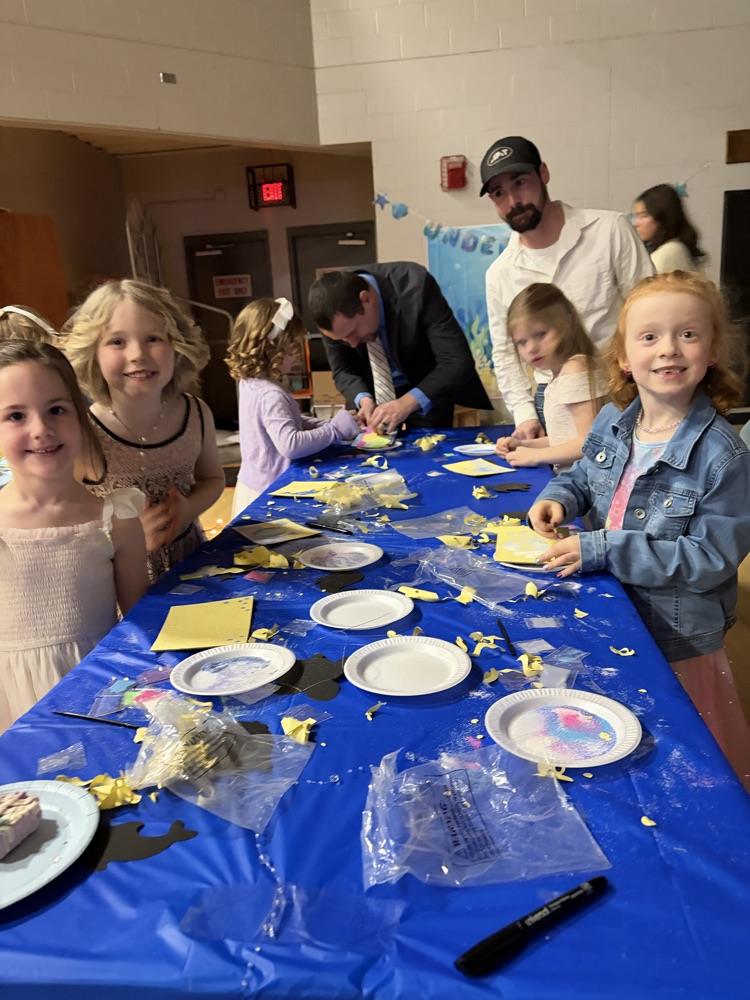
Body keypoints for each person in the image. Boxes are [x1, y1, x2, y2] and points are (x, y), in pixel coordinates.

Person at [528, 270, 750, 789]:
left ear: (713, 350)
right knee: (620, 740)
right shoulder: (614, 420)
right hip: (618, 608)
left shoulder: (725, 456)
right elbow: (585, 475)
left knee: (689, 760)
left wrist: (604, 548)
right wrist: (558, 497)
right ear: (624, 357)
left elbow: (709, 559)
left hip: (677, 636)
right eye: (649, 336)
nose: (668, 348)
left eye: (687, 334)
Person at [0, 341, 149, 733]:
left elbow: (139, 621)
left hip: (97, 693)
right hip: (12, 702)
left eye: (56, 410)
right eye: (15, 416)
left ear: (80, 417)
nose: (41, 430)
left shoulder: (116, 518)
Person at [480, 135, 653, 440]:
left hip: (621, 388)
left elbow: (650, 314)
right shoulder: (499, 274)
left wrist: (649, 387)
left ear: (543, 173)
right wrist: (524, 415)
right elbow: (505, 352)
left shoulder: (609, 231)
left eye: (520, 183)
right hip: (553, 398)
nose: (513, 201)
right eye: (499, 193)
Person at [64, 279, 225, 582]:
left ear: (177, 345)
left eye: (153, 338)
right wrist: (125, 536)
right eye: (117, 341)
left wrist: (189, 509)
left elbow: (213, 479)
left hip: (193, 571)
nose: (137, 353)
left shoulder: (197, 414)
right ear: (92, 353)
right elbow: (66, 521)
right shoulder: (83, 433)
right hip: (118, 585)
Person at [308, 263, 492, 432]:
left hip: (424, 387)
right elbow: (344, 371)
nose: (353, 344)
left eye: (353, 332)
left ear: (366, 299)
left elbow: (456, 360)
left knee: (427, 449)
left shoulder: (416, 286)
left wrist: (407, 403)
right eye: (342, 340)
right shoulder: (331, 314)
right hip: (371, 393)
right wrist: (363, 399)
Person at [225, 297, 359, 516]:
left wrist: (325, 424)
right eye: (293, 346)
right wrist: (334, 430)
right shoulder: (271, 394)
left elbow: (283, 421)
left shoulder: (251, 382)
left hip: (253, 486)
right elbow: (291, 444)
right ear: (272, 347)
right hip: (271, 495)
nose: (297, 353)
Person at [495, 283, 607, 472]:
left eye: (541, 334)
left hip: (587, 483)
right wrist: (523, 446)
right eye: (522, 342)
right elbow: (563, 440)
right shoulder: (561, 374)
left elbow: (590, 442)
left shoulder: (575, 370)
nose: (531, 348)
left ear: (566, 324)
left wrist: (534, 456)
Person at [632, 183, 706, 273]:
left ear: (662, 217)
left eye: (643, 216)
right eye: (636, 216)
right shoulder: (674, 247)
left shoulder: (668, 251)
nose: (635, 223)